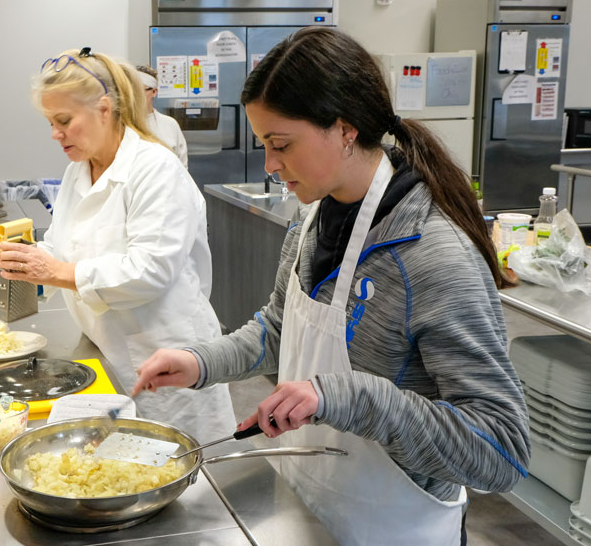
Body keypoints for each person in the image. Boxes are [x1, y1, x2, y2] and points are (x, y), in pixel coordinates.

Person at [131, 28, 529, 546]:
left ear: (344, 129)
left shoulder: (432, 254)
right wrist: (202, 362)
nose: (271, 166)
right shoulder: (312, 219)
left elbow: (501, 450)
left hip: (394, 527)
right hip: (306, 510)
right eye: (264, 146)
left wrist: (349, 397)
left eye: (281, 145)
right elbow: (278, 330)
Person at [0, 47, 235, 443]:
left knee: (185, 473)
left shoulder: (155, 169)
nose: (55, 134)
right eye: (49, 122)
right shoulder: (79, 169)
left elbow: (150, 270)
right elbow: (59, 246)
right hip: (110, 351)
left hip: (166, 356)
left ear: (105, 109)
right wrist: (6, 288)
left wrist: (56, 272)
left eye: (64, 120)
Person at [136, 65, 188, 168]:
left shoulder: (170, 125)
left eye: (140, 91)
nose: (135, 96)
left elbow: (182, 166)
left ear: (154, 92)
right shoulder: (122, 124)